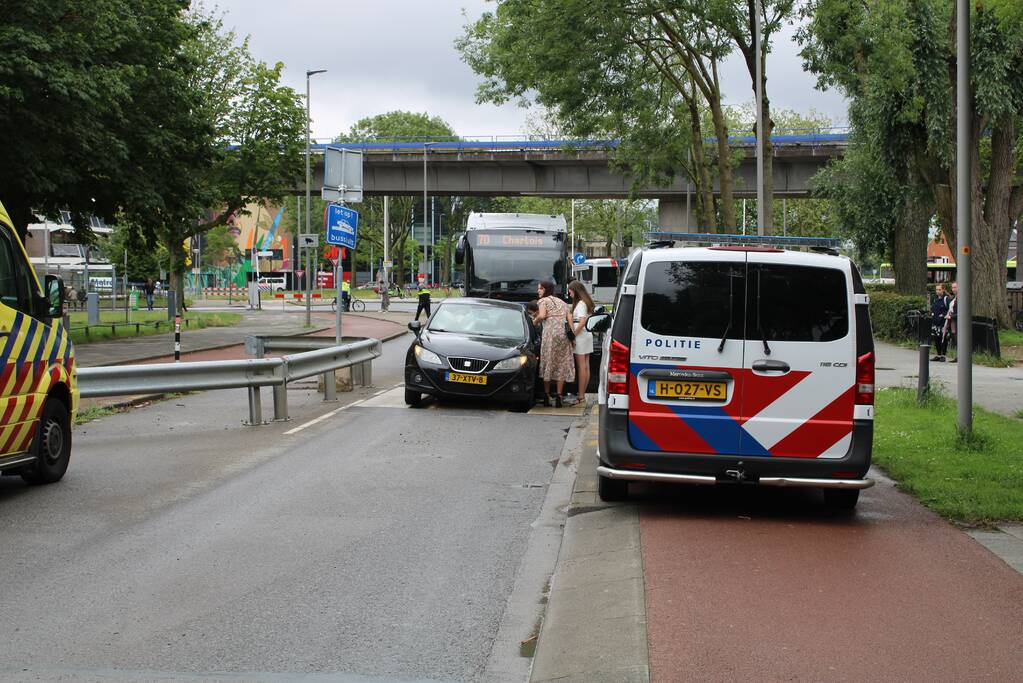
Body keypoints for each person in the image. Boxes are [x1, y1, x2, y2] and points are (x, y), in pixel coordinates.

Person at [533, 280, 575, 407]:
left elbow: (542, 315)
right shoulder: (563, 302)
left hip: (550, 335)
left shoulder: (542, 301)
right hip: (563, 335)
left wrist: (534, 322)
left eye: (540, 289)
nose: (538, 291)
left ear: (545, 290)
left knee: (548, 362)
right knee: (561, 364)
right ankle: (559, 395)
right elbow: (570, 320)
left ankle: (546, 395)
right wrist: (572, 338)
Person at [567, 281, 595, 404]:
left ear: (576, 290)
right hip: (586, 335)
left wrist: (573, 336)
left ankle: (581, 395)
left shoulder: (581, 304)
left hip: (581, 335)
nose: (569, 293)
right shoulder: (584, 303)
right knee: (585, 366)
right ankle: (582, 394)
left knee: (581, 366)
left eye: (570, 290)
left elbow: (582, 322)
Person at [930, 283, 951, 361]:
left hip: (942, 323)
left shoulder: (946, 299)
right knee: (936, 339)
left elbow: (949, 309)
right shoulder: (935, 299)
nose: (938, 291)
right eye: (937, 289)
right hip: (935, 323)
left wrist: (943, 314)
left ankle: (943, 355)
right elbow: (933, 308)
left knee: (943, 339)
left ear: (943, 290)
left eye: (939, 289)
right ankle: (938, 355)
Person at [945, 281, 958, 362]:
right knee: (955, 339)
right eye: (952, 287)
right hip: (952, 322)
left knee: (958, 339)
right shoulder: (954, 298)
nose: (953, 289)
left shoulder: (961, 298)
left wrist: (951, 316)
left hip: (957, 322)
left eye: (955, 287)